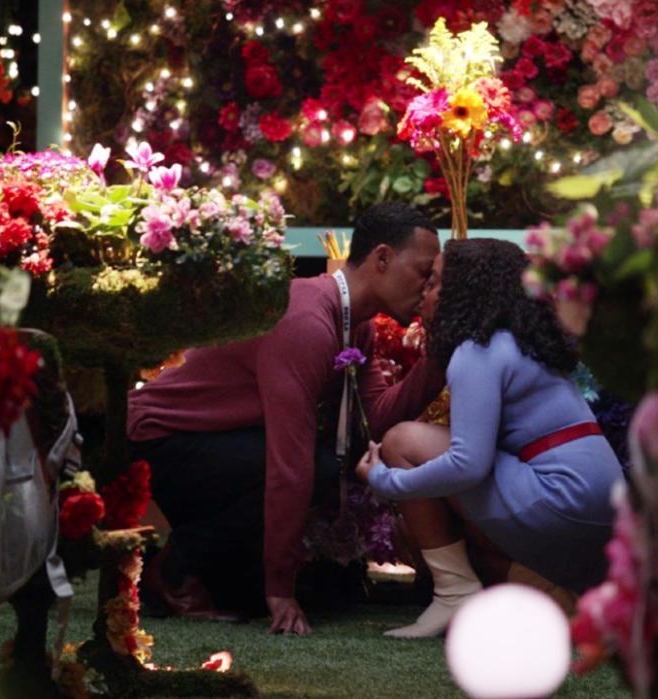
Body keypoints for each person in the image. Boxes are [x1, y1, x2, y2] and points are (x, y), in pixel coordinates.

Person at [128, 201, 446, 634]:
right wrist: (280, 590)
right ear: (383, 258)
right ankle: (174, 572)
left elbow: (375, 418)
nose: (429, 286)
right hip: (161, 438)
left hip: (224, 442)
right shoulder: (307, 320)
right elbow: (290, 468)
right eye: (424, 272)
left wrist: (439, 356)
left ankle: (200, 568)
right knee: (312, 468)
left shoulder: (360, 325)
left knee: (328, 586)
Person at [356, 238, 624, 637]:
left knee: (401, 442)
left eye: (435, 282)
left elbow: (468, 463)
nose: (425, 292)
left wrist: (386, 481)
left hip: (561, 499)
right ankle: (566, 602)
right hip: (604, 507)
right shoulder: (523, 341)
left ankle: (453, 594)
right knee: (464, 539)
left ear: (464, 291)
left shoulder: (477, 351)